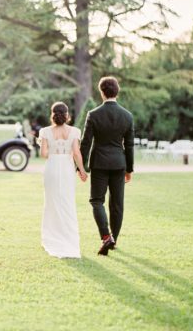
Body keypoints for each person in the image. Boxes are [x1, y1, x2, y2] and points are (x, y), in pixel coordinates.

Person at [80, 76, 134, 256]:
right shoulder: (127, 116)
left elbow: (85, 143)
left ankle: (106, 236)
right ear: (117, 91)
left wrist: (82, 167)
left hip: (99, 164)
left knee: (97, 201)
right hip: (119, 164)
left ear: (101, 92)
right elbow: (130, 145)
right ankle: (114, 239)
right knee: (117, 204)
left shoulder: (93, 114)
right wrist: (129, 169)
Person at [39, 102, 88, 259]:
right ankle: (67, 238)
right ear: (67, 115)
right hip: (66, 169)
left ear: (52, 114)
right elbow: (76, 153)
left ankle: (52, 236)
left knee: (52, 202)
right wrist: (82, 170)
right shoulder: (75, 131)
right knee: (67, 202)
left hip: (52, 168)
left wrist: (41, 143)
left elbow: (44, 154)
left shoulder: (45, 131)